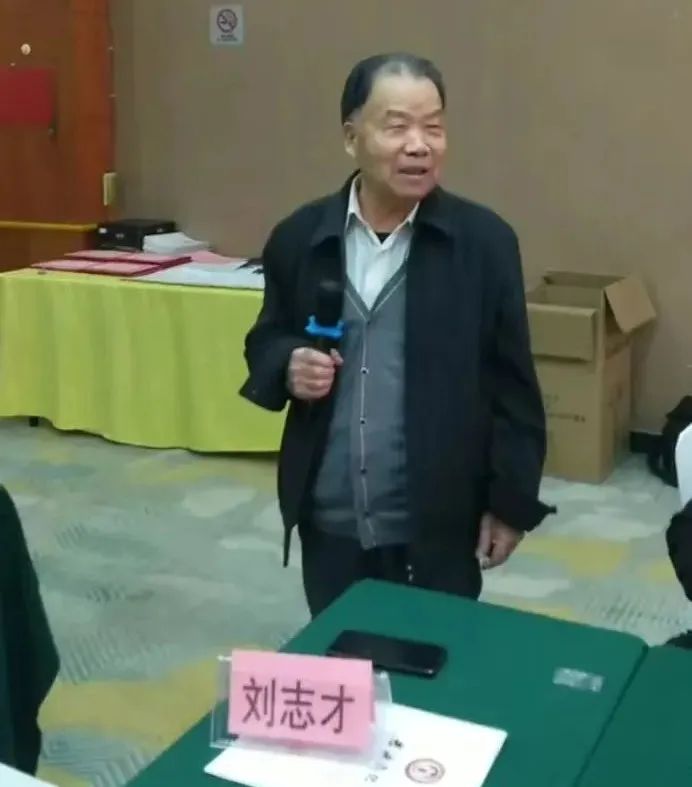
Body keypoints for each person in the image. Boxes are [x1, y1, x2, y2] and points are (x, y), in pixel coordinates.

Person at [241, 52, 553, 617]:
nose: (419, 145)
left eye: (433, 127)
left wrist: (510, 503)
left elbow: (513, 387)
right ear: (351, 137)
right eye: (397, 127)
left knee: (437, 660)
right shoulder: (300, 238)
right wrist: (287, 363)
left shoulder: (483, 245)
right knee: (344, 656)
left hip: (438, 522)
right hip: (330, 518)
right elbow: (266, 338)